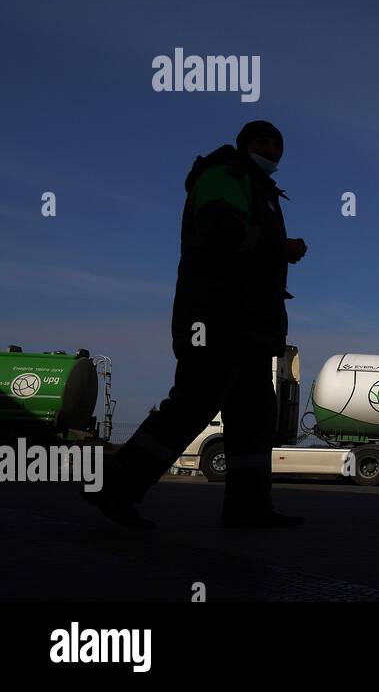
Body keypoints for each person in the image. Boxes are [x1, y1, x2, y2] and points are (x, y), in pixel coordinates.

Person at [86, 120, 308, 529]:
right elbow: (221, 228)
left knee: (254, 413)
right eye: (263, 141)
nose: (272, 150)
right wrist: (281, 246)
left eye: (278, 144)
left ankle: (248, 508)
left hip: (249, 324)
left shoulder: (259, 187)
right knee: (196, 400)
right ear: (244, 144)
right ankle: (116, 486)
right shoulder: (226, 174)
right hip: (215, 315)